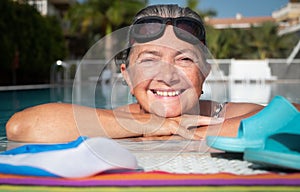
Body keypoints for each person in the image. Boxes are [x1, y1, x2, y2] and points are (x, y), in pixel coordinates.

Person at [5, 4, 298, 143]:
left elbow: (293, 118)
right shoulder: (114, 119)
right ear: (128, 76)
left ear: (205, 73)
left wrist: (181, 128)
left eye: (184, 59)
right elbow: (20, 128)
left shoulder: (226, 112)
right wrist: (151, 126)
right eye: (149, 60)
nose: (167, 76)